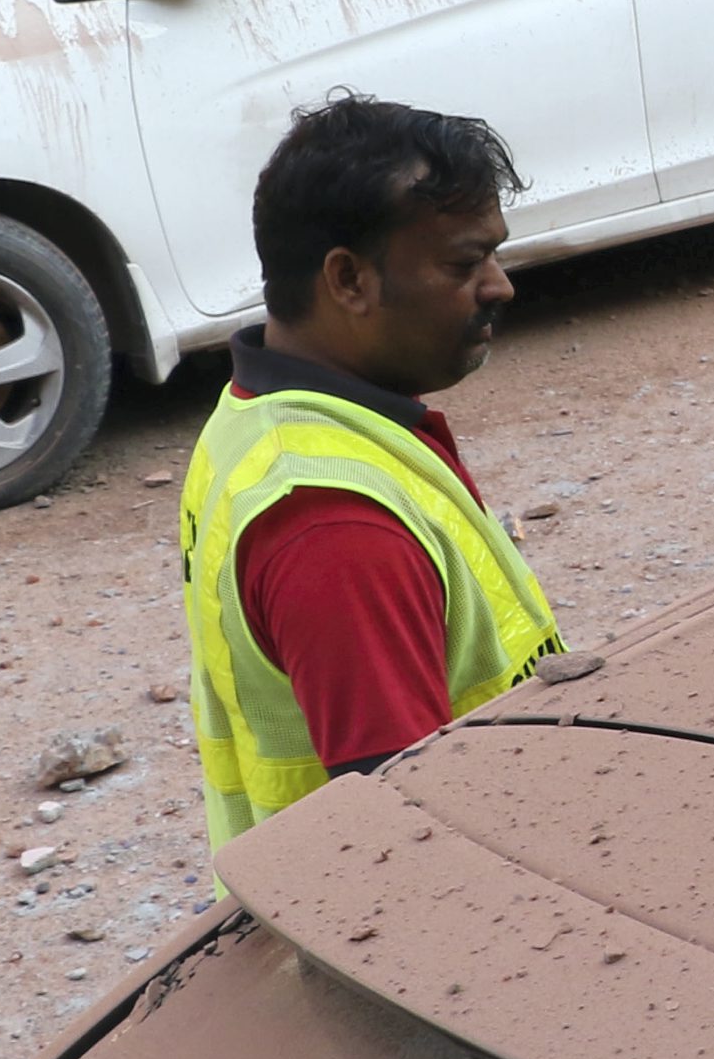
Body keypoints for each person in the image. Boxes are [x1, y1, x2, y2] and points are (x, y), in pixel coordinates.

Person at [177, 96, 561, 860]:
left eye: (494, 255)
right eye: (464, 263)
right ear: (348, 278)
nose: (500, 285)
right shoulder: (336, 528)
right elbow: (410, 847)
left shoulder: (262, 417)